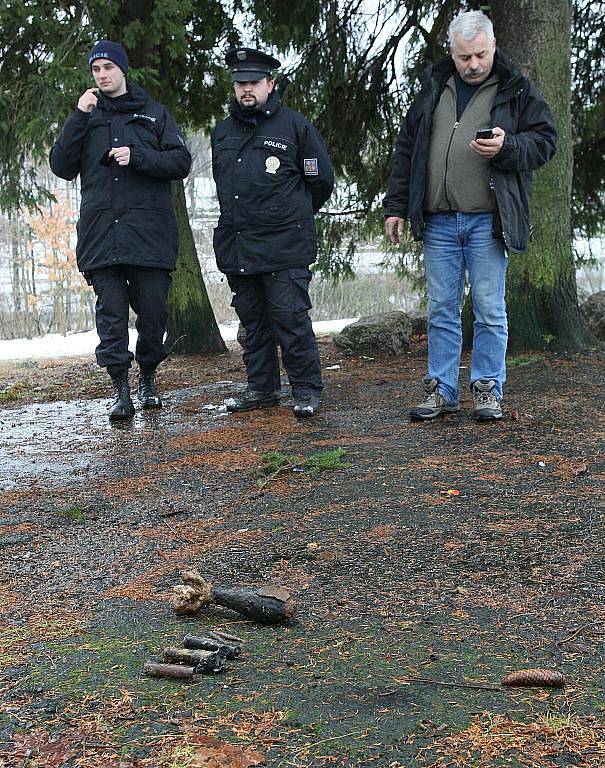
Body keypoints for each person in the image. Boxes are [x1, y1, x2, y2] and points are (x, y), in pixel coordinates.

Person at [383, 10, 556, 422]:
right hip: (438, 220)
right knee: (441, 309)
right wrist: (396, 206)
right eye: (465, 57)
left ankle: (488, 390)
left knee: (489, 310)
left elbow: (546, 141)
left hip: (487, 221)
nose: (473, 65)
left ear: (493, 46)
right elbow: (408, 149)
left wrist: (508, 147)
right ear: (452, 53)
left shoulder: (516, 89)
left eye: (480, 54)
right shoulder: (432, 87)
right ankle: (442, 390)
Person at [50, 40, 191, 421]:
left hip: (149, 236)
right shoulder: (87, 117)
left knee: (153, 314)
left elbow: (181, 162)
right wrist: (78, 116)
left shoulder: (155, 114)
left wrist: (138, 156)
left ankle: (147, 375)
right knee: (110, 318)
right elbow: (61, 165)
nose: (102, 75)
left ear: (123, 70)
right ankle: (120, 389)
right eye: (96, 70)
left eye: (108, 68)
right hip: (102, 237)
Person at [212, 48, 334, 418]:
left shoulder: (295, 126)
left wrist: (291, 214)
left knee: (291, 318)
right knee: (253, 322)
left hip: (285, 243)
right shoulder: (223, 132)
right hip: (240, 244)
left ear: (270, 83)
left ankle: (307, 389)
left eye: (253, 83)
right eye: (240, 84)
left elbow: (321, 181)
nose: (246, 90)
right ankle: (262, 387)